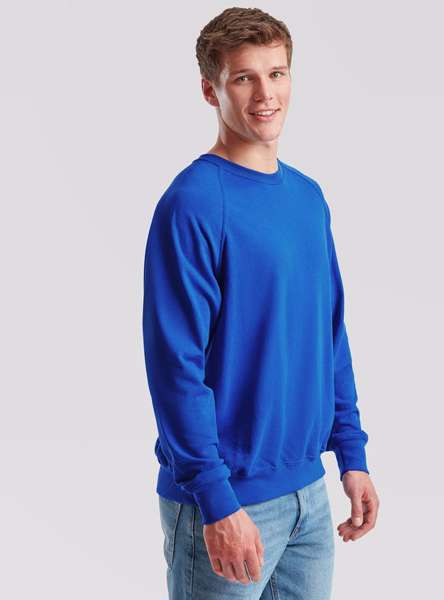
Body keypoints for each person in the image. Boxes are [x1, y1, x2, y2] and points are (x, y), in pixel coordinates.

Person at [142, 7, 380, 599]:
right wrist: (216, 498)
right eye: (244, 77)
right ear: (211, 90)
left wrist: (351, 453)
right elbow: (175, 366)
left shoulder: (307, 197)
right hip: (225, 501)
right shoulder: (194, 202)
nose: (265, 94)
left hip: (308, 496)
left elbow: (329, 335)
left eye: (276, 73)